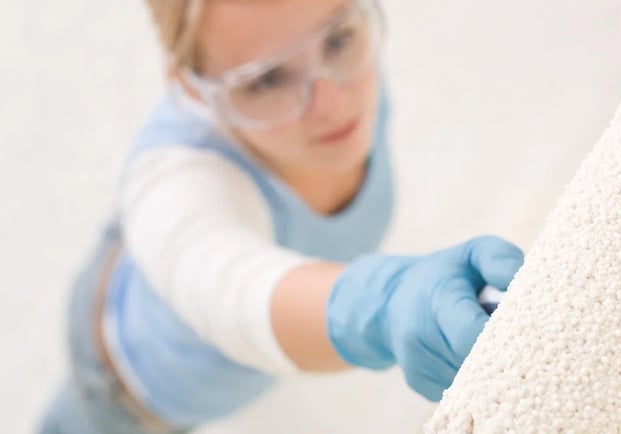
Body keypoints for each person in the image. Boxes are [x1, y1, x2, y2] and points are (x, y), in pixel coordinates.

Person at [38, 0, 524, 432]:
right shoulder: (177, 182)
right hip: (120, 382)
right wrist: (383, 304)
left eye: (337, 38)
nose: (333, 103)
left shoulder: (345, 69)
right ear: (188, 87)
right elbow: (233, 289)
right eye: (266, 79)